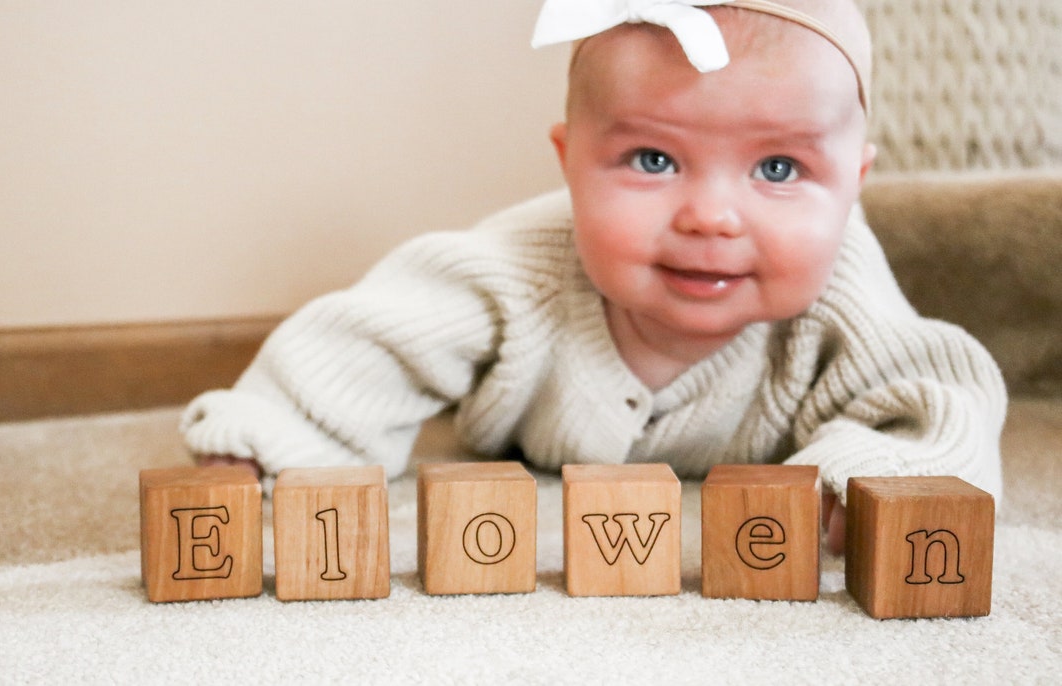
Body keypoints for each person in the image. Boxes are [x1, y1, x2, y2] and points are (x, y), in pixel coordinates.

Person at [182, 0, 1006, 554]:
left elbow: (936, 396)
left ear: (854, 184)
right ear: (569, 163)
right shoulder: (521, 265)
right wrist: (268, 438)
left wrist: (865, 480)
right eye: (654, 159)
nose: (710, 216)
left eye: (780, 169)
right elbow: (373, 338)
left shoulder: (841, 293)